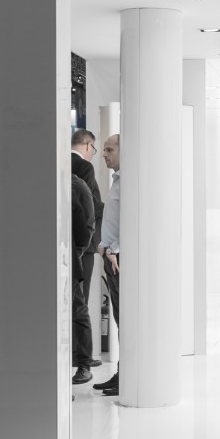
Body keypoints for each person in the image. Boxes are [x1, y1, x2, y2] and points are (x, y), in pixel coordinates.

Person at [70, 129, 102, 385]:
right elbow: (90, 206)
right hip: (81, 247)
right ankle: (83, 359)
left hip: (69, 244)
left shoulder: (58, 164)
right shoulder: (84, 169)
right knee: (79, 303)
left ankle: (75, 355)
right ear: (89, 145)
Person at [96, 133, 121, 396]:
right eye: (104, 149)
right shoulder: (117, 181)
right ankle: (122, 374)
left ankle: (126, 376)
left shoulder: (129, 182)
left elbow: (133, 219)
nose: (104, 154)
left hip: (118, 259)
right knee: (118, 317)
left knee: (124, 318)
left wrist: (114, 248)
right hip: (111, 256)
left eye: (109, 149)